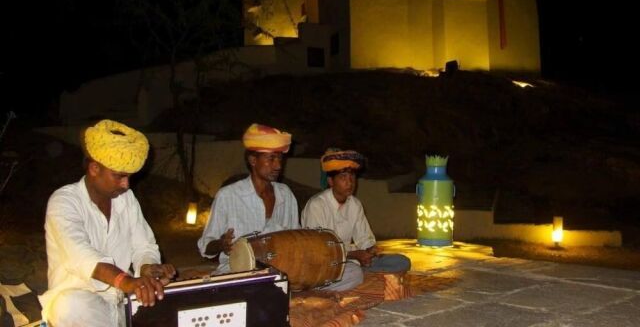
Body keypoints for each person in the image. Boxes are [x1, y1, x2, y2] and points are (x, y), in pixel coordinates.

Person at [38, 119, 176, 327]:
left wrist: (148, 268)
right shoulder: (64, 201)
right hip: (82, 305)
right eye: (119, 176)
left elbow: (144, 246)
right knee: (70, 306)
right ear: (94, 169)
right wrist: (127, 281)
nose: (126, 184)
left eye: (129, 177)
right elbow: (82, 255)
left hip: (122, 301)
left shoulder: (126, 199)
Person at [302, 149, 411, 291]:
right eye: (343, 177)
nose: (350, 182)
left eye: (352, 177)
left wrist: (370, 251)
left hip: (352, 261)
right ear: (330, 181)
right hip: (324, 264)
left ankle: (358, 276)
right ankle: (342, 281)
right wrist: (354, 254)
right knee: (354, 272)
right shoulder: (317, 205)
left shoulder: (355, 204)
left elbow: (364, 238)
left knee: (401, 261)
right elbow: (320, 251)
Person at [198, 123, 299, 273]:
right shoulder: (229, 196)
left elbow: (295, 239)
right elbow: (205, 246)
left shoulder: (286, 195)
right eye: (271, 159)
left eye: (280, 159)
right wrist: (222, 244)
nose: (278, 166)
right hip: (236, 272)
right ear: (253, 160)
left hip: (279, 271)